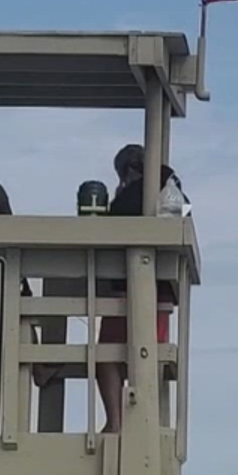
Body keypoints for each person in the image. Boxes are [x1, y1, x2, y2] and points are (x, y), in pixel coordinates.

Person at [93, 144, 185, 433]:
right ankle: (144, 423)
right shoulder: (174, 190)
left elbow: (115, 222)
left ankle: (116, 422)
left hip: (132, 291)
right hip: (163, 296)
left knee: (106, 355)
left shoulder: (135, 194)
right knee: (146, 359)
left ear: (129, 170)